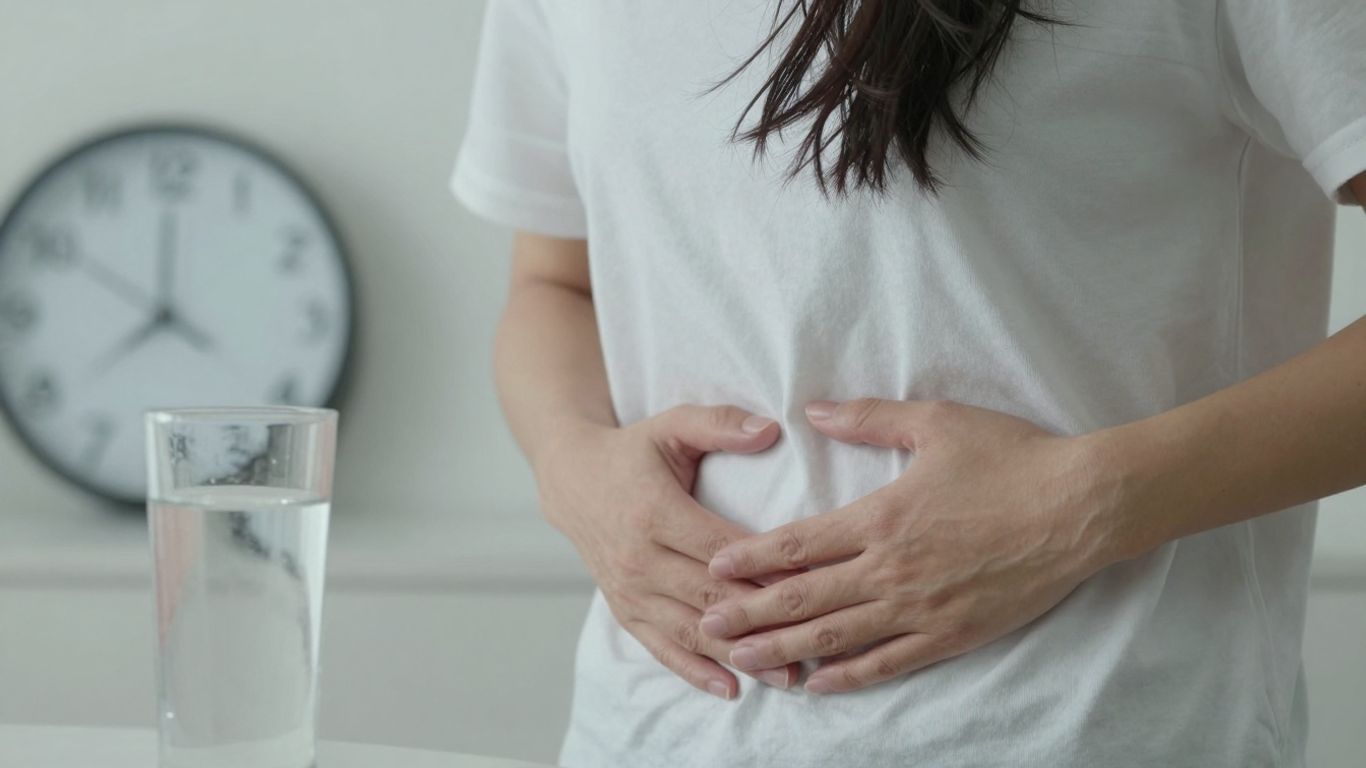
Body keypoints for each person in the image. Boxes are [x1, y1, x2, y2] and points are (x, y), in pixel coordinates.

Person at [452, 1, 1366, 765]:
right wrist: (574, 470)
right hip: (648, 735)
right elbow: (553, 284)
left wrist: (1091, 502)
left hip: (1090, 733)